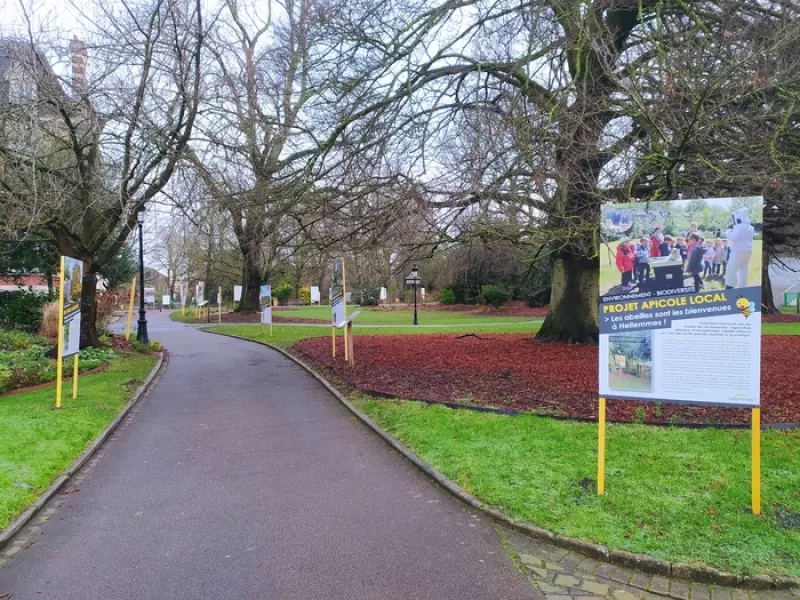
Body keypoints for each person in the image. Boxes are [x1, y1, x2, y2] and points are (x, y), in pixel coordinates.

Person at [725, 208, 755, 289]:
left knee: (732, 268)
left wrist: (728, 232)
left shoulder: (740, 226)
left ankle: (729, 286)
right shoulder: (751, 227)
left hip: (738, 251)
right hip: (748, 251)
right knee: (743, 268)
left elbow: (734, 237)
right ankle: (742, 286)